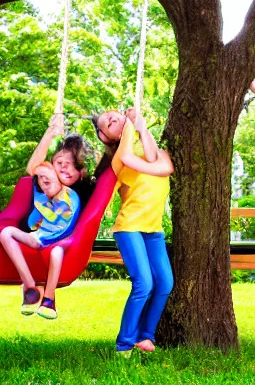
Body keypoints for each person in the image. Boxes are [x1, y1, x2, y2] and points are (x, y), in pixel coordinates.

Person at [92, 108, 174, 355]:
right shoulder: (119, 159)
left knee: (165, 283)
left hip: (153, 229)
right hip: (129, 228)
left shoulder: (158, 153)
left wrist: (140, 125)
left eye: (116, 114)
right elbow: (131, 158)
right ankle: (124, 344)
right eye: (108, 122)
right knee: (144, 283)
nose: (113, 117)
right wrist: (130, 127)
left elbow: (158, 161)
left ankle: (146, 337)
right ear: (105, 137)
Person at [0, 161, 81, 319]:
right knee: (6, 233)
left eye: (46, 178)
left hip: (59, 241)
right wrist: (38, 210)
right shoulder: (44, 197)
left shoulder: (69, 195)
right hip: (40, 237)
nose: (42, 182)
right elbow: (32, 222)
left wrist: (42, 202)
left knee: (56, 253)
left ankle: (49, 299)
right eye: (39, 180)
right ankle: (30, 287)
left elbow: (54, 213)